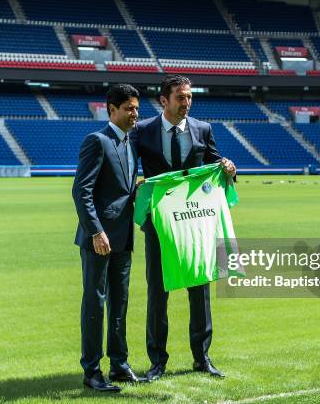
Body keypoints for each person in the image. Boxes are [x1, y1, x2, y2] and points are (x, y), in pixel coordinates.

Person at [131, 75, 237, 380]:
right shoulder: (143, 131)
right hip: (160, 225)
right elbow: (129, 167)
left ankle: (202, 358)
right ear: (164, 101)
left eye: (189, 97)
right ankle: (157, 362)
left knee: (199, 289)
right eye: (180, 97)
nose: (186, 102)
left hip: (196, 223)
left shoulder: (203, 129)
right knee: (158, 293)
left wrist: (230, 168)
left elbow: (217, 166)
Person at [72, 84, 144, 392]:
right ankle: (91, 371)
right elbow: (81, 191)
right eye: (129, 108)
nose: (134, 113)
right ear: (111, 109)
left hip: (123, 237)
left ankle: (119, 364)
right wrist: (96, 231)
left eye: (137, 108)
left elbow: (122, 191)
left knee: (120, 303)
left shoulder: (132, 143)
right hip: (99, 239)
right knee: (95, 304)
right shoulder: (97, 141)